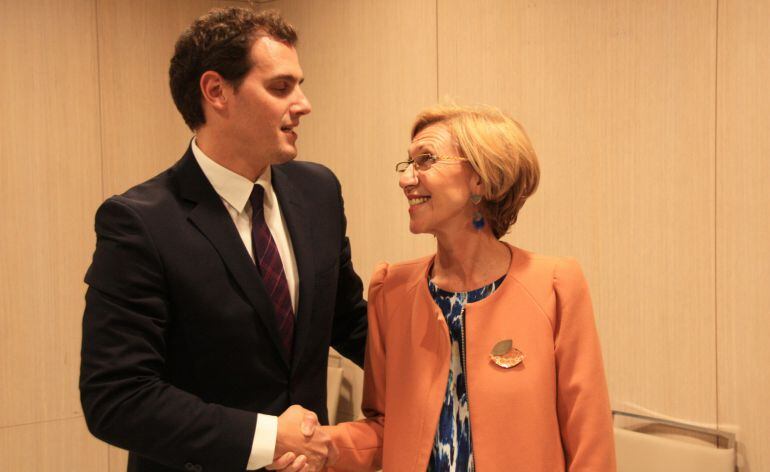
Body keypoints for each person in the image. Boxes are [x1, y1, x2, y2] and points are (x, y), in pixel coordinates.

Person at [79, 7, 367, 472]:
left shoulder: (319, 192)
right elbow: (117, 397)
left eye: (299, 83)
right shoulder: (139, 223)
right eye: (281, 87)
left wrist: (452, 365)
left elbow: (349, 322)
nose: (304, 103)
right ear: (216, 92)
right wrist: (269, 438)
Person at [321, 104, 616, 471]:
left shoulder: (554, 286)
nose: (405, 179)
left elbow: (592, 448)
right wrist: (321, 446)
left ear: (479, 178)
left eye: (425, 160)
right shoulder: (391, 290)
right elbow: (385, 427)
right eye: (407, 163)